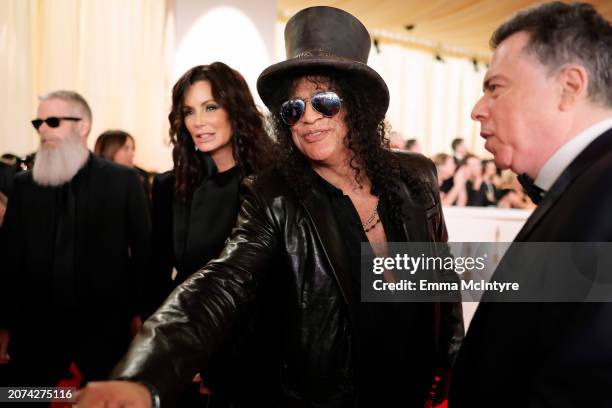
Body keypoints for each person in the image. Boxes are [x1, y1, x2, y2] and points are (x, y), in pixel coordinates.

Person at [77, 6, 463, 408]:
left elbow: (440, 272)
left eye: (324, 101)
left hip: (411, 389)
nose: (308, 118)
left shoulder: (415, 176)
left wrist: (452, 361)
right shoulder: (271, 194)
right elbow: (220, 283)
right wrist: (144, 376)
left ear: (356, 105)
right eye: (294, 109)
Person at [449, 2, 612, 407]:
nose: (477, 109)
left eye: (495, 87)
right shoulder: (583, 185)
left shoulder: (604, 189)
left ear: (569, 87)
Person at [146, 63, 276, 406]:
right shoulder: (168, 188)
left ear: (236, 108)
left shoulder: (272, 185)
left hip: (256, 360)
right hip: (188, 354)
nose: (198, 121)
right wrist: (178, 353)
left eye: (210, 107)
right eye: (188, 111)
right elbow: (159, 278)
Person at [0, 90, 150, 386]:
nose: (42, 129)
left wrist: (143, 316)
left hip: (104, 330)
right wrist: (3, 323)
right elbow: (9, 258)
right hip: (36, 330)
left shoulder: (123, 181)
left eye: (52, 121)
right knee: (20, 397)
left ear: (83, 126)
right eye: (38, 122)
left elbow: (144, 254)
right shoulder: (24, 185)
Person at [94, 130, 153, 200]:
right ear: (109, 150)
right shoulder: (93, 180)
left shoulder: (141, 177)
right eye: (126, 148)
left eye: (133, 148)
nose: (132, 154)